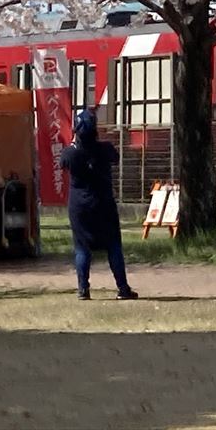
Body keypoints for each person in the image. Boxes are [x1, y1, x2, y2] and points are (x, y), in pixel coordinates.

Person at [60, 109, 138, 301]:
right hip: (104, 204)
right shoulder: (106, 149)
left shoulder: (70, 154)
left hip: (79, 207)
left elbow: (63, 163)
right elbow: (116, 157)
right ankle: (122, 288)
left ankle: (83, 290)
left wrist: (74, 142)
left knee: (81, 247)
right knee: (113, 246)